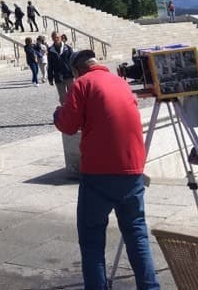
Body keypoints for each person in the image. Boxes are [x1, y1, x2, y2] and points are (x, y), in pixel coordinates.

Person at [53, 50, 161, 290]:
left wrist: (58, 113)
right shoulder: (120, 83)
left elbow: (68, 125)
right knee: (137, 234)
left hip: (99, 173)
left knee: (91, 241)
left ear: (76, 70)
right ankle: (150, 287)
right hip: (131, 169)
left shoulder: (82, 84)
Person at [47, 30, 74, 105]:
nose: (56, 39)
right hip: (58, 76)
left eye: (57, 37)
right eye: (54, 37)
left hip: (68, 75)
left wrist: (75, 73)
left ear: (61, 37)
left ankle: (75, 112)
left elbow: (72, 62)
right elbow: (50, 65)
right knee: (62, 97)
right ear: (52, 38)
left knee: (72, 95)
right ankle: (66, 113)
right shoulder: (50, 50)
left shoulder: (67, 48)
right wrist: (50, 78)